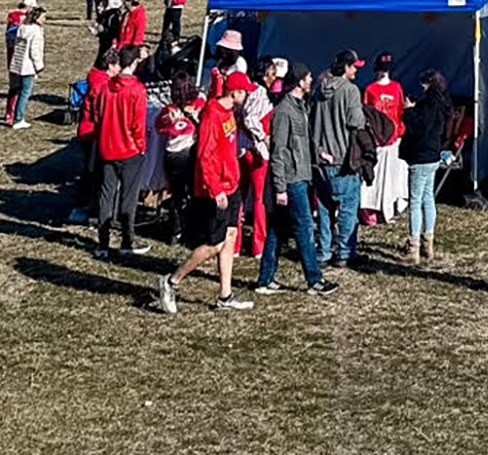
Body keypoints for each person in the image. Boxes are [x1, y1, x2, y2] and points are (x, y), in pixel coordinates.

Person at [156, 63, 252, 314]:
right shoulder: (212, 115)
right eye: (245, 91)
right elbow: (204, 155)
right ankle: (172, 280)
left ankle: (225, 295)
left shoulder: (226, 110)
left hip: (231, 185)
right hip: (215, 190)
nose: (247, 95)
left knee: (230, 238)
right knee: (214, 244)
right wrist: (215, 187)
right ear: (235, 93)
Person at [255, 62, 338, 297]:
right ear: (299, 81)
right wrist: (280, 187)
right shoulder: (283, 112)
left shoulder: (301, 107)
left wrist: (319, 152)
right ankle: (314, 280)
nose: (311, 81)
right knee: (304, 228)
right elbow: (278, 151)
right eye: (308, 77)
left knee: (276, 230)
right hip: (292, 181)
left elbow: (304, 140)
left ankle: (265, 280)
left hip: (302, 175)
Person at [310, 49, 366, 266]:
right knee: (348, 207)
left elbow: (311, 116)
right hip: (342, 158)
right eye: (353, 67)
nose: (356, 71)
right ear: (345, 67)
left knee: (324, 207)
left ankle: (324, 251)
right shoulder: (350, 91)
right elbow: (356, 122)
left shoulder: (318, 89)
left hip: (320, 156)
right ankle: (344, 251)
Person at [93, 46, 150, 258]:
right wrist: (141, 147)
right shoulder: (137, 90)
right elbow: (137, 124)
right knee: (128, 197)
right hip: (129, 150)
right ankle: (127, 239)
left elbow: (98, 116)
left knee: (106, 195)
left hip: (107, 148)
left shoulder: (106, 87)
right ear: (135, 62)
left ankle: (103, 243)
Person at [400, 69, 451, 265]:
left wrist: (409, 111)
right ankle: (428, 243)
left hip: (420, 157)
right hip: (433, 156)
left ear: (428, 84)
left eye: (423, 83)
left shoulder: (426, 107)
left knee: (415, 201)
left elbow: (418, 129)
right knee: (428, 198)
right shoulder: (441, 104)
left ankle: (413, 247)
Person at [70, 48, 120, 224]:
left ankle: (86, 206)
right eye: (118, 66)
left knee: (90, 172)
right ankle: (87, 208)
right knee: (93, 173)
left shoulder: (97, 79)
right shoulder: (102, 85)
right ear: (111, 66)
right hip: (93, 132)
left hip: (89, 130)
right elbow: (100, 112)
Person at [361, 53, 409, 228]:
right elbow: (366, 112)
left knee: (391, 178)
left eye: (386, 69)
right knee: (373, 175)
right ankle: (370, 209)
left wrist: (400, 131)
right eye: (382, 69)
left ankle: (388, 207)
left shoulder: (396, 87)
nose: (384, 73)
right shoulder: (370, 89)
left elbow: (400, 111)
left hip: (393, 138)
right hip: (376, 139)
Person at [155, 72, 203, 244]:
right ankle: (190, 231)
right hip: (189, 153)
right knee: (192, 193)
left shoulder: (168, 110)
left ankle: (175, 232)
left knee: (176, 195)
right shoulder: (200, 105)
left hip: (171, 155)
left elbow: (158, 127)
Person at [6, 6, 46, 129]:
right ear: (36, 17)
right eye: (43, 17)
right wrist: (39, 66)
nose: (45, 19)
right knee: (25, 93)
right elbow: (35, 52)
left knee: (15, 90)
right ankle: (19, 119)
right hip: (27, 67)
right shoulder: (36, 32)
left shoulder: (22, 28)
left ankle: (11, 114)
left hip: (16, 65)